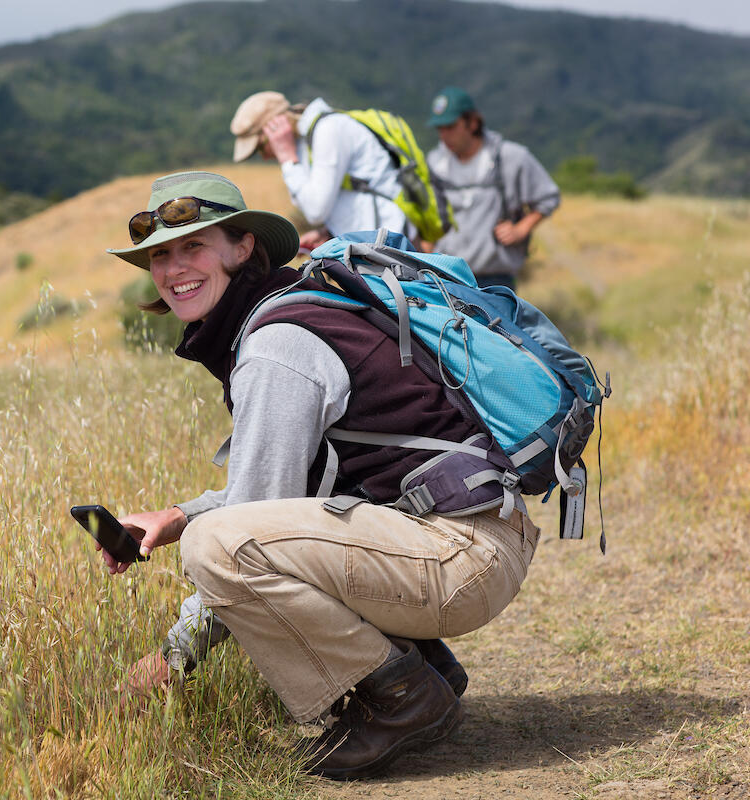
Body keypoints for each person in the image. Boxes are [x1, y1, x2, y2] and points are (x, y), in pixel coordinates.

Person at [103, 171, 540, 779]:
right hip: (477, 536)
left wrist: (171, 660)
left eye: (194, 246)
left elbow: (247, 524)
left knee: (217, 546)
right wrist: (175, 516)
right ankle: (416, 666)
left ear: (242, 247)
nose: (175, 268)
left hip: (461, 557)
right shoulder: (301, 304)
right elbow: (291, 493)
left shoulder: (276, 345)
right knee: (218, 532)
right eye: (161, 255)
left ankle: (401, 698)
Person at [230, 91, 409, 252]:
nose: (264, 157)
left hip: (390, 245)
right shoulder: (310, 139)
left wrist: (287, 158)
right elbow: (347, 198)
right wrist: (329, 232)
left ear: (276, 130)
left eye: (260, 147)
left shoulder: (328, 131)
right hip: (374, 245)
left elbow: (316, 211)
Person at [426, 86, 560, 289]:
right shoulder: (434, 163)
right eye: (440, 129)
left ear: (472, 123)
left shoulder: (511, 157)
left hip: (496, 280)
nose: (444, 136)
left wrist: (520, 230)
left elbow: (548, 197)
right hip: (446, 279)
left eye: (451, 127)